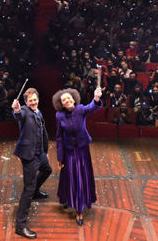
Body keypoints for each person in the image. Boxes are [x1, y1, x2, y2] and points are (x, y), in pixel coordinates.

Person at [53, 86, 103, 226]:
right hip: (68, 151)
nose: (67, 101)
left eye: (69, 98)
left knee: (80, 178)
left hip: (82, 150)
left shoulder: (80, 109)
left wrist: (96, 98)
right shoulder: (59, 116)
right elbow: (59, 137)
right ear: (61, 104)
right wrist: (60, 157)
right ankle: (69, 199)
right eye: (64, 100)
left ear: (74, 99)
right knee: (70, 177)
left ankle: (79, 210)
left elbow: (92, 107)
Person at [12, 88, 51, 239]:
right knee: (28, 189)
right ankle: (20, 226)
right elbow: (18, 115)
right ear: (26, 102)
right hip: (29, 156)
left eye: (35, 99)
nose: (33, 102)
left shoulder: (38, 112)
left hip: (40, 153)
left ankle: (35, 191)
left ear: (38, 99)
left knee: (47, 170)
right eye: (30, 101)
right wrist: (16, 109)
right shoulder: (24, 111)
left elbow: (43, 132)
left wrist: (45, 151)